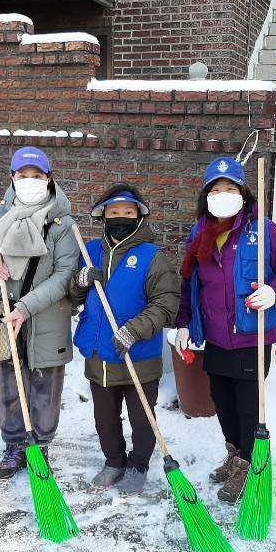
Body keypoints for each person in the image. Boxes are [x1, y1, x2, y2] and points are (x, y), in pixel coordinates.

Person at [173, 156, 276, 503]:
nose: (223, 194)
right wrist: (184, 322)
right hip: (215, 334)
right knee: (223, 402)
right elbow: (190, 283)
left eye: (230, 188)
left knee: (248, 405)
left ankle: (249, 463)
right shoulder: (200, 233)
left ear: (242, 193)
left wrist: (275, 290)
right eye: (216, 189)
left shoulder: (262, 230)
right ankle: (234, 454)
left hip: (251, 334)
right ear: (207, 195)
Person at [0, 146, 80, 478]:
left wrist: (25, 308)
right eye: (23, 176)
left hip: (45, 316)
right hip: (5, 313)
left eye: (37, 176)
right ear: (12, 178)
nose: (30, 181)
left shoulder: (63, 223)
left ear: (48, 178)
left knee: (45, 388)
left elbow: (64, 276)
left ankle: (41, 445)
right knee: (9, 383)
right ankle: (15, 444)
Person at [69, 187, 180, 494]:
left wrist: (135, 329)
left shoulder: (151, 257)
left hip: (138, 355)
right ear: (103, 215)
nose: (120, 218)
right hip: (99, 353)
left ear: (139, 216)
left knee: (142, 419)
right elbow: (73, 295)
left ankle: (138, 464)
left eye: (128, 212)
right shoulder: (89, 250)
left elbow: (166, 303)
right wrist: (79, 281)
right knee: (104, 419)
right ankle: (114, 461)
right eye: (114, 212)